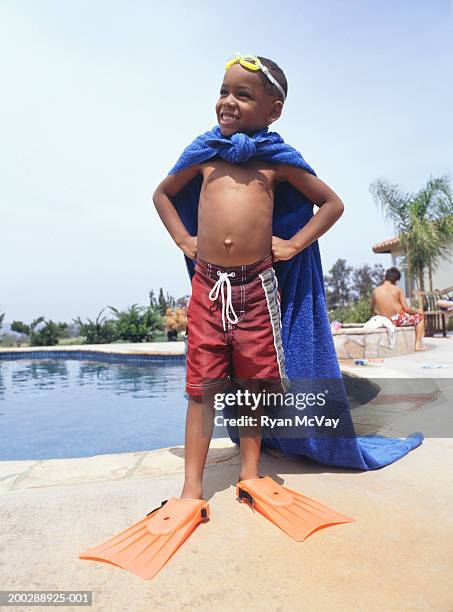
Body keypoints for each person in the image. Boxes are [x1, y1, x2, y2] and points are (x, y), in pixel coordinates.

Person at [371, 266, 426, 350]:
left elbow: (372, 310)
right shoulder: (397, 289)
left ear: (385, 277)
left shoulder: (375, 291)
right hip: (397, 319)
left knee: (415, 314)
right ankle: (418, 344)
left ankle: (418, 343)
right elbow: (406, 309)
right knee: (420, 317)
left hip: (385, 319)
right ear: (396, 280)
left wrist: (379, 316)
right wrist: (417, 311)